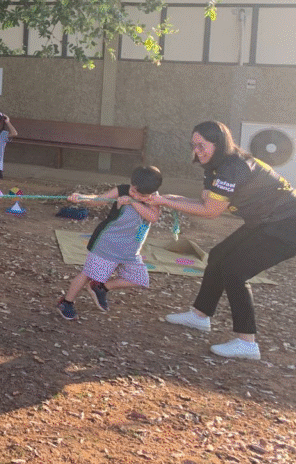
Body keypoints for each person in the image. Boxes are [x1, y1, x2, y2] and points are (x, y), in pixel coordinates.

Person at [157, 121, 296, 361]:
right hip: (265, 221)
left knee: (235, 270)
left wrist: (166, 202)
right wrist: (166, 199)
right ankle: (200, 316)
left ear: (219, 144)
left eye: (202, 145)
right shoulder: (214, 166)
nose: (197, 151)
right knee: (219, 255)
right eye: (193, 145)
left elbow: (211, 211)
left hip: (287, 225)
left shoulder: (233, 167)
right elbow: (205, 202)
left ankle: (247, 343)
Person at [56, 165, 163, 321]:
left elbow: (153, 217)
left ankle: (101, 287)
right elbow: (98, 200)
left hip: (130, 250)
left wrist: (133, 202)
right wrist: (82, 198)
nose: (133, 194)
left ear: (151, 192)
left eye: (140, 194)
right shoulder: (122, 190)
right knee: (89, 274)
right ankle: (66, 302)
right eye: (133, 190)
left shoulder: (153, 199)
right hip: (107, 244)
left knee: (139, 279)